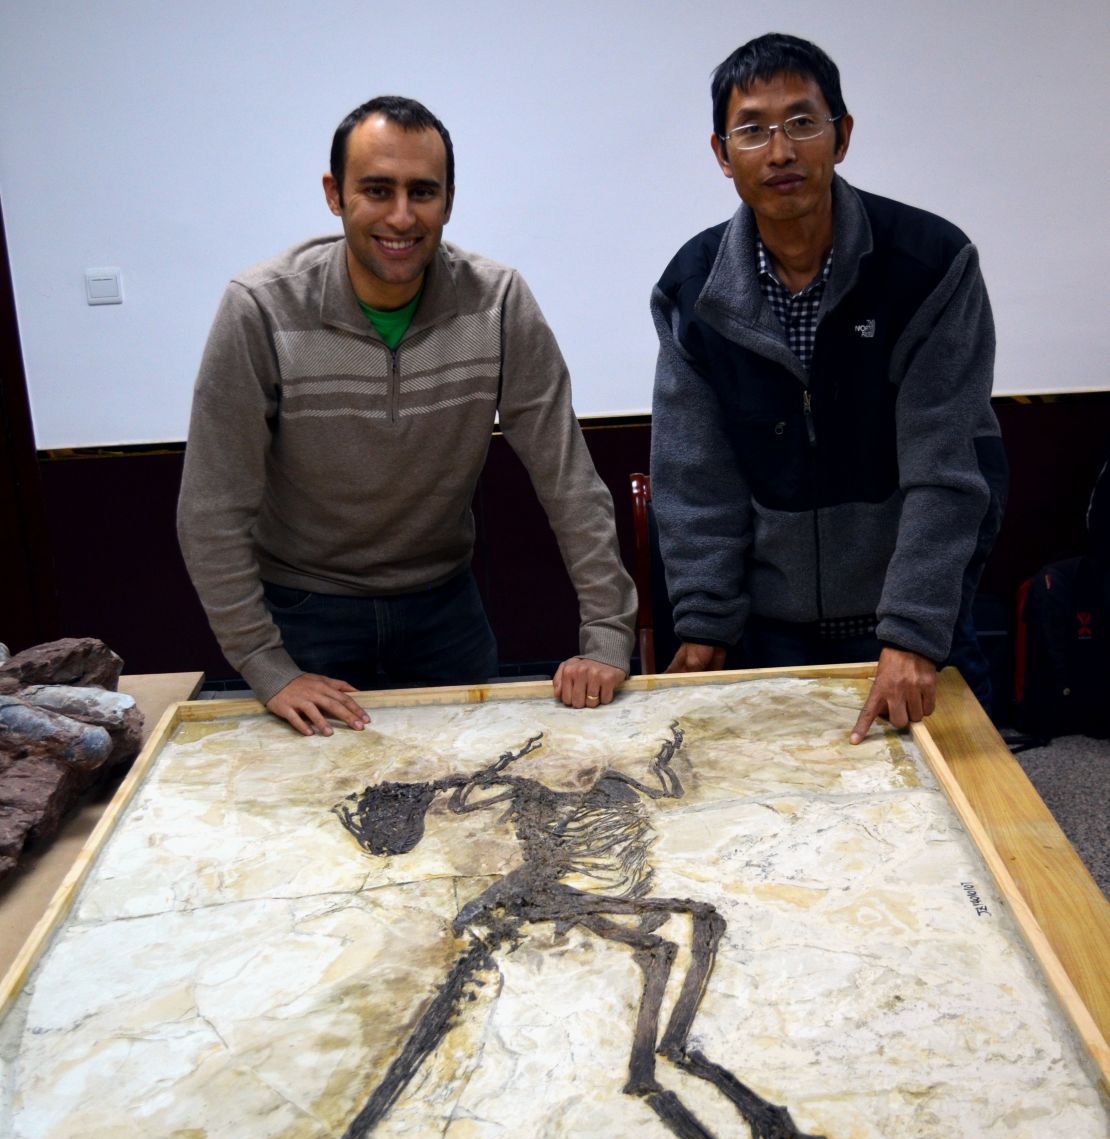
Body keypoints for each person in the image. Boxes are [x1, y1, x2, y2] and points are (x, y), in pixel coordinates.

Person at [178, 96, 636, 736]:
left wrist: (608, 635)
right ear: (335, 195)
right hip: (304, 612)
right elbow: (211, 508)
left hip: (444, 609)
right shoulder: (260, 309)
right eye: (376, 190)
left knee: (472, 809)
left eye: (423, 192)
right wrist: (266, 664)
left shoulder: (498, 302)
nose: (401, 216)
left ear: (449, 201)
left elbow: (569, 482)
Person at [650, 34, 1008, 742]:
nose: (780, 151)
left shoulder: (930, 264)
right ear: (723, 155)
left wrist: (910, 633)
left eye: (803, 122)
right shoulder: (692, 290)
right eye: (752, 129)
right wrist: (704, 621)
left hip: (909, 631)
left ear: (841, 136)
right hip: (768, 631)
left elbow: (947, 468)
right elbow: (695, 479)